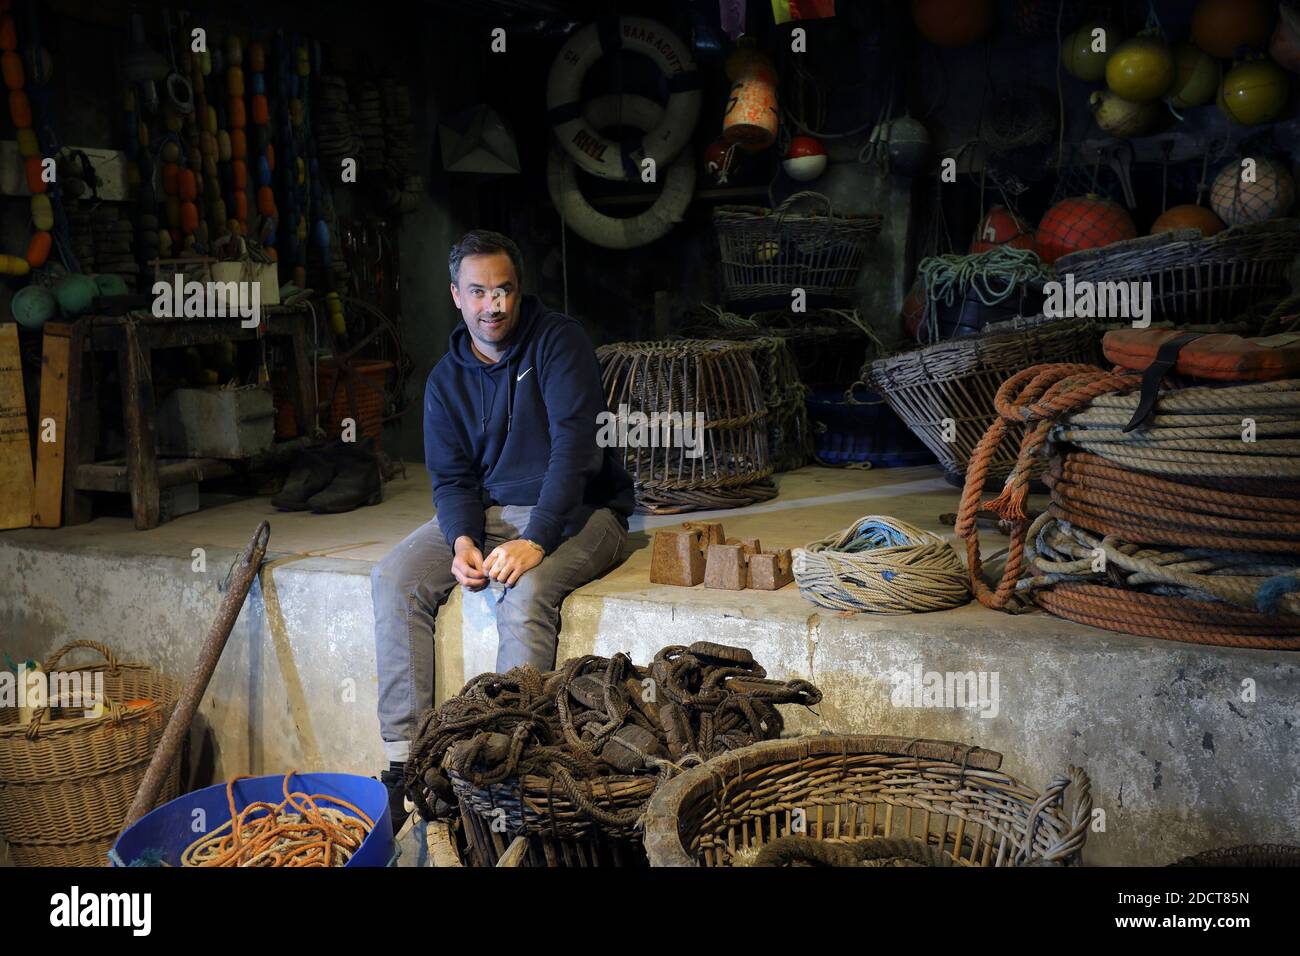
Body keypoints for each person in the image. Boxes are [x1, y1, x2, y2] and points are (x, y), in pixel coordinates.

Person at [371, 229, 634, 831]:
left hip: (583, 512)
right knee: (394, 578)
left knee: (528, 594)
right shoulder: (444, 380)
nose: (496, 305)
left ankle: (502, 763)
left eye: (506, 289)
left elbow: (577, 451)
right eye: (480, 292)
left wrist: (538, 536)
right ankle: (405, 766)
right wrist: (463, 539)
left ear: (519, 291)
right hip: (490, 514)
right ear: (455, 297)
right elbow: (453, 479)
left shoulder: (559, 342)